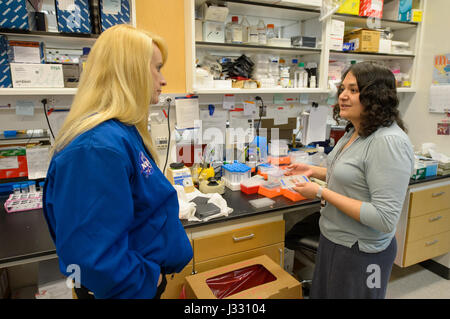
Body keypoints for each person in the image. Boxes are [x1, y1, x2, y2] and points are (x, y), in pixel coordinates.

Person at [42, 25, 193, 299]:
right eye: (157, 68)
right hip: (128, 291)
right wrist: (148, 279)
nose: (163, 80)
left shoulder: (122, 132)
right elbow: (92, 258)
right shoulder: (96, 149)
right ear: (130, 71)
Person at [286, 62, 414, 299]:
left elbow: (384, 218)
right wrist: (313, 170)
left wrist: (320, 193)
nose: (343, 96)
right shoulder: (354, 131)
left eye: (354, 90)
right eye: (342, 88)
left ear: (376, 96)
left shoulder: (388, 142)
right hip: (335, 238)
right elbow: (355, 178)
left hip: (363, 252)